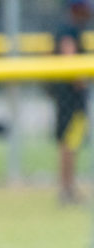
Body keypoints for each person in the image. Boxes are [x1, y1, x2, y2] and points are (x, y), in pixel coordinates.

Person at [51, 0, 92, 204]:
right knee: (69, 143)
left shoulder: (71, 28)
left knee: (70, 143)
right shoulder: (68, 29)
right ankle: (67, 190)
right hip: (71, 97)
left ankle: (68, 188)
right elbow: (69, 56)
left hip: (68, 96)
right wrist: (81, 82)